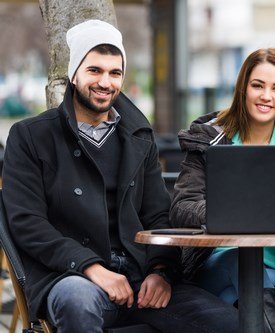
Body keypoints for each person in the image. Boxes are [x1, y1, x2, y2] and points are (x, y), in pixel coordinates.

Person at [1, 19, 238, 333]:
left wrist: (160, 271)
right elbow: (27, 223)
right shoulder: (31, 136)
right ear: (74, 74)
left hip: (139, 280)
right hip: (70, 277)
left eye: (115, 73)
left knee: (229, 322)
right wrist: (90, 268)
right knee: (78, 301)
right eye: (95, 70)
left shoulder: (138, 136)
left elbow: (158, 216)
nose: (105, 82)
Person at [170, 48, 275, 305]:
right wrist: (238, 214)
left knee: (239, 303)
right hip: (217, 262)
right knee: (240, 262)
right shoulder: (209, 139)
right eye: (257, 86)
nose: (266, 96)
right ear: (243, 88)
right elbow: (182, 207)